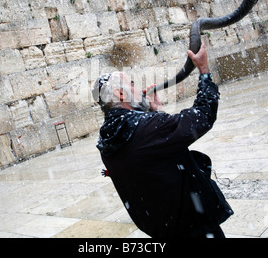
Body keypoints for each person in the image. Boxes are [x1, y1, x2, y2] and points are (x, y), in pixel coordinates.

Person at [91, 42, 225, 238]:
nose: (138, 88)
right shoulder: (149, 128)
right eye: (132, 84)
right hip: (194, 229)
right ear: (121, 94)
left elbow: (155, 157)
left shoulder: (106, 140)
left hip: (163, 232)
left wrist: (156, 112)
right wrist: (204, 71)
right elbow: (202, 116)